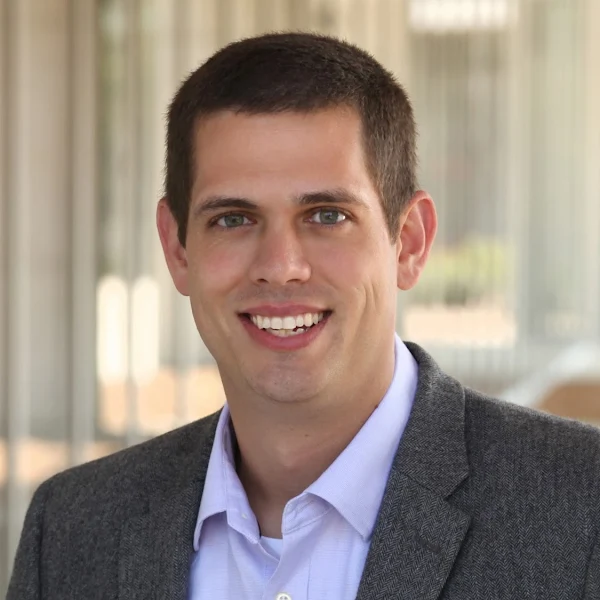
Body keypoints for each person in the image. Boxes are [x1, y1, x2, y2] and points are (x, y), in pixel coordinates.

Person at [8, 32, 600, 600]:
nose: (281, 267)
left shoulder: (582, 510)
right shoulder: (69, 531)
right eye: (233, 219)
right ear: (178, 249)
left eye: (327, 215)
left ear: (410, 242)